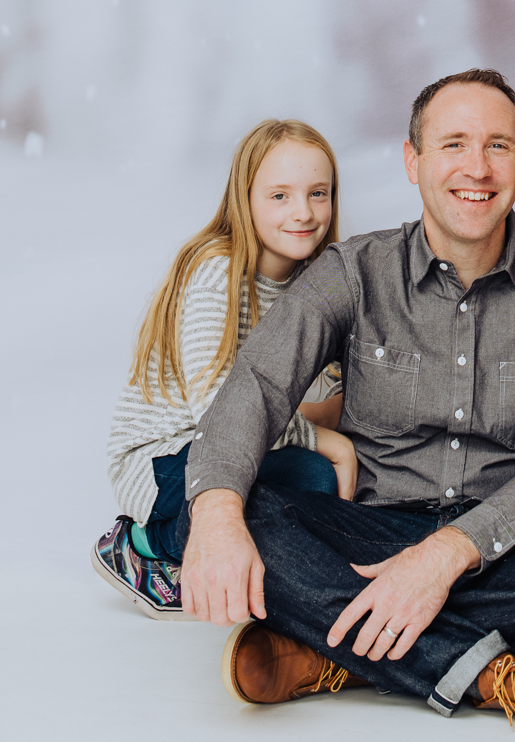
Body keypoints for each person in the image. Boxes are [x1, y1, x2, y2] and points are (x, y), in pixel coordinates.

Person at [178, 69, 515, 736]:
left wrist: (448, 555)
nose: (476, 166)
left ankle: (339, 654)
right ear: (412, 161)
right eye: (452, 144)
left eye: (497, 145)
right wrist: (214, 515)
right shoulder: (351, 271)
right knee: (219, 506)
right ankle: (504, 678)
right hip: (376, 531)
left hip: (510, 540)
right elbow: (257, 388)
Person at [93, 120, 357, 619]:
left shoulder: (316, 286)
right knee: (313, 478)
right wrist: (330, 444)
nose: (302, 212)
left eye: (317, 193)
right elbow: (218, 406)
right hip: (166, 456)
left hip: (239, 449)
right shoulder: (217, 268)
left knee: (317, 489)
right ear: (245, 197)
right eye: (279, 196)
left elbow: (313, 394)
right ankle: (146, 544)